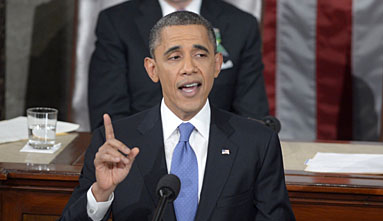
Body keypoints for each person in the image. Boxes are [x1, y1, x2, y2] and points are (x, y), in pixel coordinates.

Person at [51, 11, 315, 221]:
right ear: (152, 69)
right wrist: (100, 193)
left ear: (217, 65)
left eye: (200, 54)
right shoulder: (116, 143)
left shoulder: (255, 142)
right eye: (174, 57)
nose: (189, 68)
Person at [88, 0, 269, 130]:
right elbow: (109, 118)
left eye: (200, 55)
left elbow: (252, 116)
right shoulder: (117, 22)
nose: (188, 68)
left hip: (219, 155)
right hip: (138, 156)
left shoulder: (241, 24)